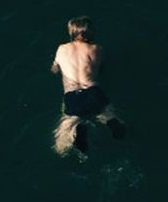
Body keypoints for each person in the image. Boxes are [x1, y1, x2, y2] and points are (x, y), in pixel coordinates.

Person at [50, 17, 126, 157]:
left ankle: (76, 132)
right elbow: (100, 69)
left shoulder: (61, 48)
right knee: (106, 113)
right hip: (94, 92)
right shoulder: (98, 49)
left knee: (61, 146)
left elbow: (54, 69)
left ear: (72, 31)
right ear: (89, 32)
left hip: (72, 96)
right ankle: (112, 122)